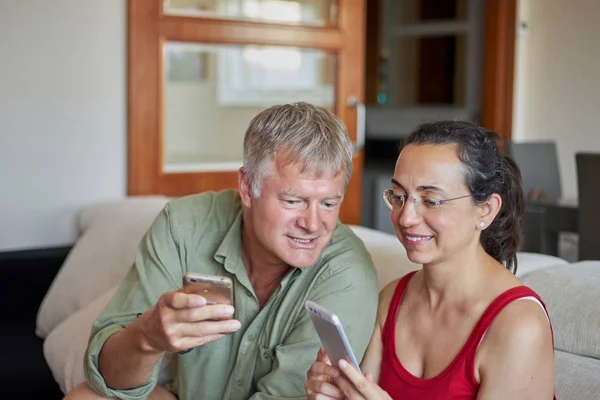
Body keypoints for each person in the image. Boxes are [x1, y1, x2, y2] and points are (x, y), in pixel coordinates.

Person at [65, 102, 379, 399]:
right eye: (293, 201)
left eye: (328, 203)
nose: (313, 224)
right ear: (247, 187)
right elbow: (109, 377)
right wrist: (146, 338)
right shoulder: (184, 226)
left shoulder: (347, 274)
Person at [305, 120, 556, 399]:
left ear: (485, 210)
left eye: (431, 200)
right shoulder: (392, 300)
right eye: (399, 197)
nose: (405, 218)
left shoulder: (519, 325)